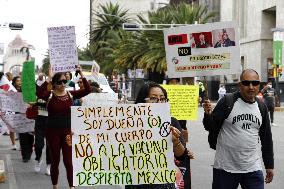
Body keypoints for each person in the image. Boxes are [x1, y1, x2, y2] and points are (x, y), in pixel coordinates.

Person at [203, 69, 274, 189]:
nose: (251, 87)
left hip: (252, 168)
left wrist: (269, 165)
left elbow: (266, 138)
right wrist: (208, 114)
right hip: (225, 168)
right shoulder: (227, 102)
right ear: (240, 85)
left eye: (255, 83)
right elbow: (210, 127)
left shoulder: (261, 107)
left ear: (259, 85)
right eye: (246, 83)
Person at [125, 82, 188, 189]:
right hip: (136, 181)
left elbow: (181, 155)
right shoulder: (130, 122)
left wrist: (175, 141)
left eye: (162, 99)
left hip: (162, 182)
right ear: (142, 101)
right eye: (153, 98)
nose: (159, 102)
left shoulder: (171, 122)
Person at [37, 66, 91, 189]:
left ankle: (71, 186)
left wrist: (81, 73)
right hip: (52, 133)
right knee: (55, 160)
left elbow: (87, 90)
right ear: (54, 84)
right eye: (59, 82)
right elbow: (39, 93)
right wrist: (49, 77)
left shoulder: (70, 94)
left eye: (64, 81)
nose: (63, 84)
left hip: (67, 133)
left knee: (68, 161)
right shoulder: (49, 95)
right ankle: (55, 186)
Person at [12, 76, 34, 162]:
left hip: (29, 116)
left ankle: (29, 151)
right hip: (20, 116)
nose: (20, 82)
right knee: (23, 136)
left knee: (30, 136)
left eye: (21, 80)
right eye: (18, 80)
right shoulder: (13, 91)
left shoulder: (29, 90)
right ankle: (25, 155)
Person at [34, 75, 51, 175]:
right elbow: (38, 98)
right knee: (38, 145)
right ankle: (38, 159)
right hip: (40, 120)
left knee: (50, 145)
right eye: (47, 84)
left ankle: (49, 165)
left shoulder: (55, 94)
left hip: (51, 121)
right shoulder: (41, 93)